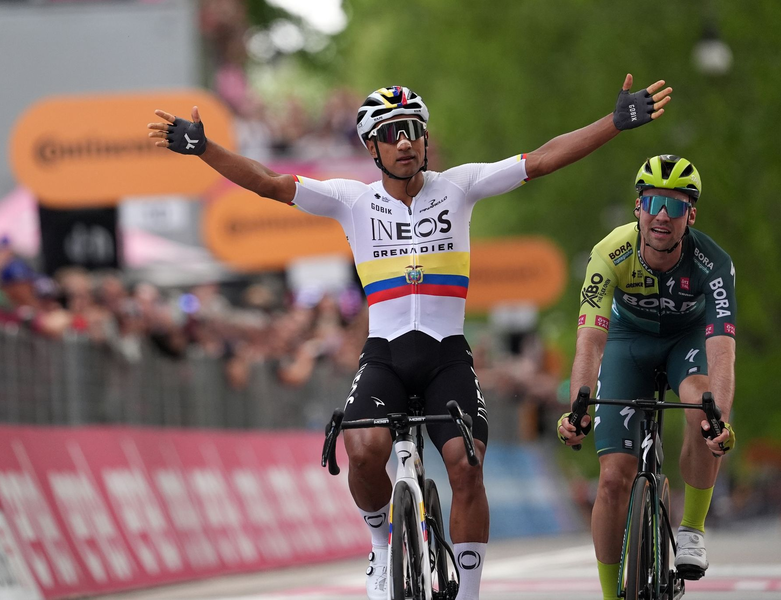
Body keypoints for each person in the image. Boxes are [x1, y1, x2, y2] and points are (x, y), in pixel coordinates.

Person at [149, 75, 671, 600]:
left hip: (447, 355)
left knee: (467, 468)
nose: (405, 141)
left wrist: (615, 123)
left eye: (413, 131)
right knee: (363, 448)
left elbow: (542, 159)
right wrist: (204, 147)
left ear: (424, 140)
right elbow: (267, 181)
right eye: (391, 132)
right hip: (386, 356)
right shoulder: (350, 200)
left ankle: (467, 592)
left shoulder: (460, 186)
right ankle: (381, 546)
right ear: (371, 147)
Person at [558, 154, 736, 599]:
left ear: (690, 215)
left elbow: (722, 352)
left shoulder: (713, 264)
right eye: (652, 203)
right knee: (614, 477)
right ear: (637, 207)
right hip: (626, 341)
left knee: (702, 403)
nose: (661, 215)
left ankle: (692, 529)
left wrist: (721, 420)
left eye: (674, 207)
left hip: (686, 340)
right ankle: (608, 594)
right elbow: (589, 341)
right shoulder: (609, 253)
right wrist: (579, 404)